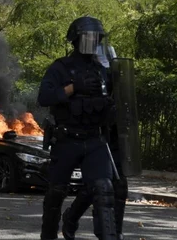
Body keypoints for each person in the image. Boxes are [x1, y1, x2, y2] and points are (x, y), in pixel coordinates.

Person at [38, 16, 117, 240]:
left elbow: (113, 101)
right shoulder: (60, 68)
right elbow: (44, 97)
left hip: (94, 140)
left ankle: (77, 221)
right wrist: (73, 88)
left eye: (96, 38)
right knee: (55, 193)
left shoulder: (103, 71)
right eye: (87, 37)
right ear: (76, 39)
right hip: (66, 140)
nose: (92, 42)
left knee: (103, 189)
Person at [61, 45, 128, 240]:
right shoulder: (83, 78)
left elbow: (124, 106)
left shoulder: (116, 79)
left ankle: (115, 232)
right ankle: (76, 220)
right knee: (98, 186)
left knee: (119, 186)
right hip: (93, 138)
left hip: (113, 136)